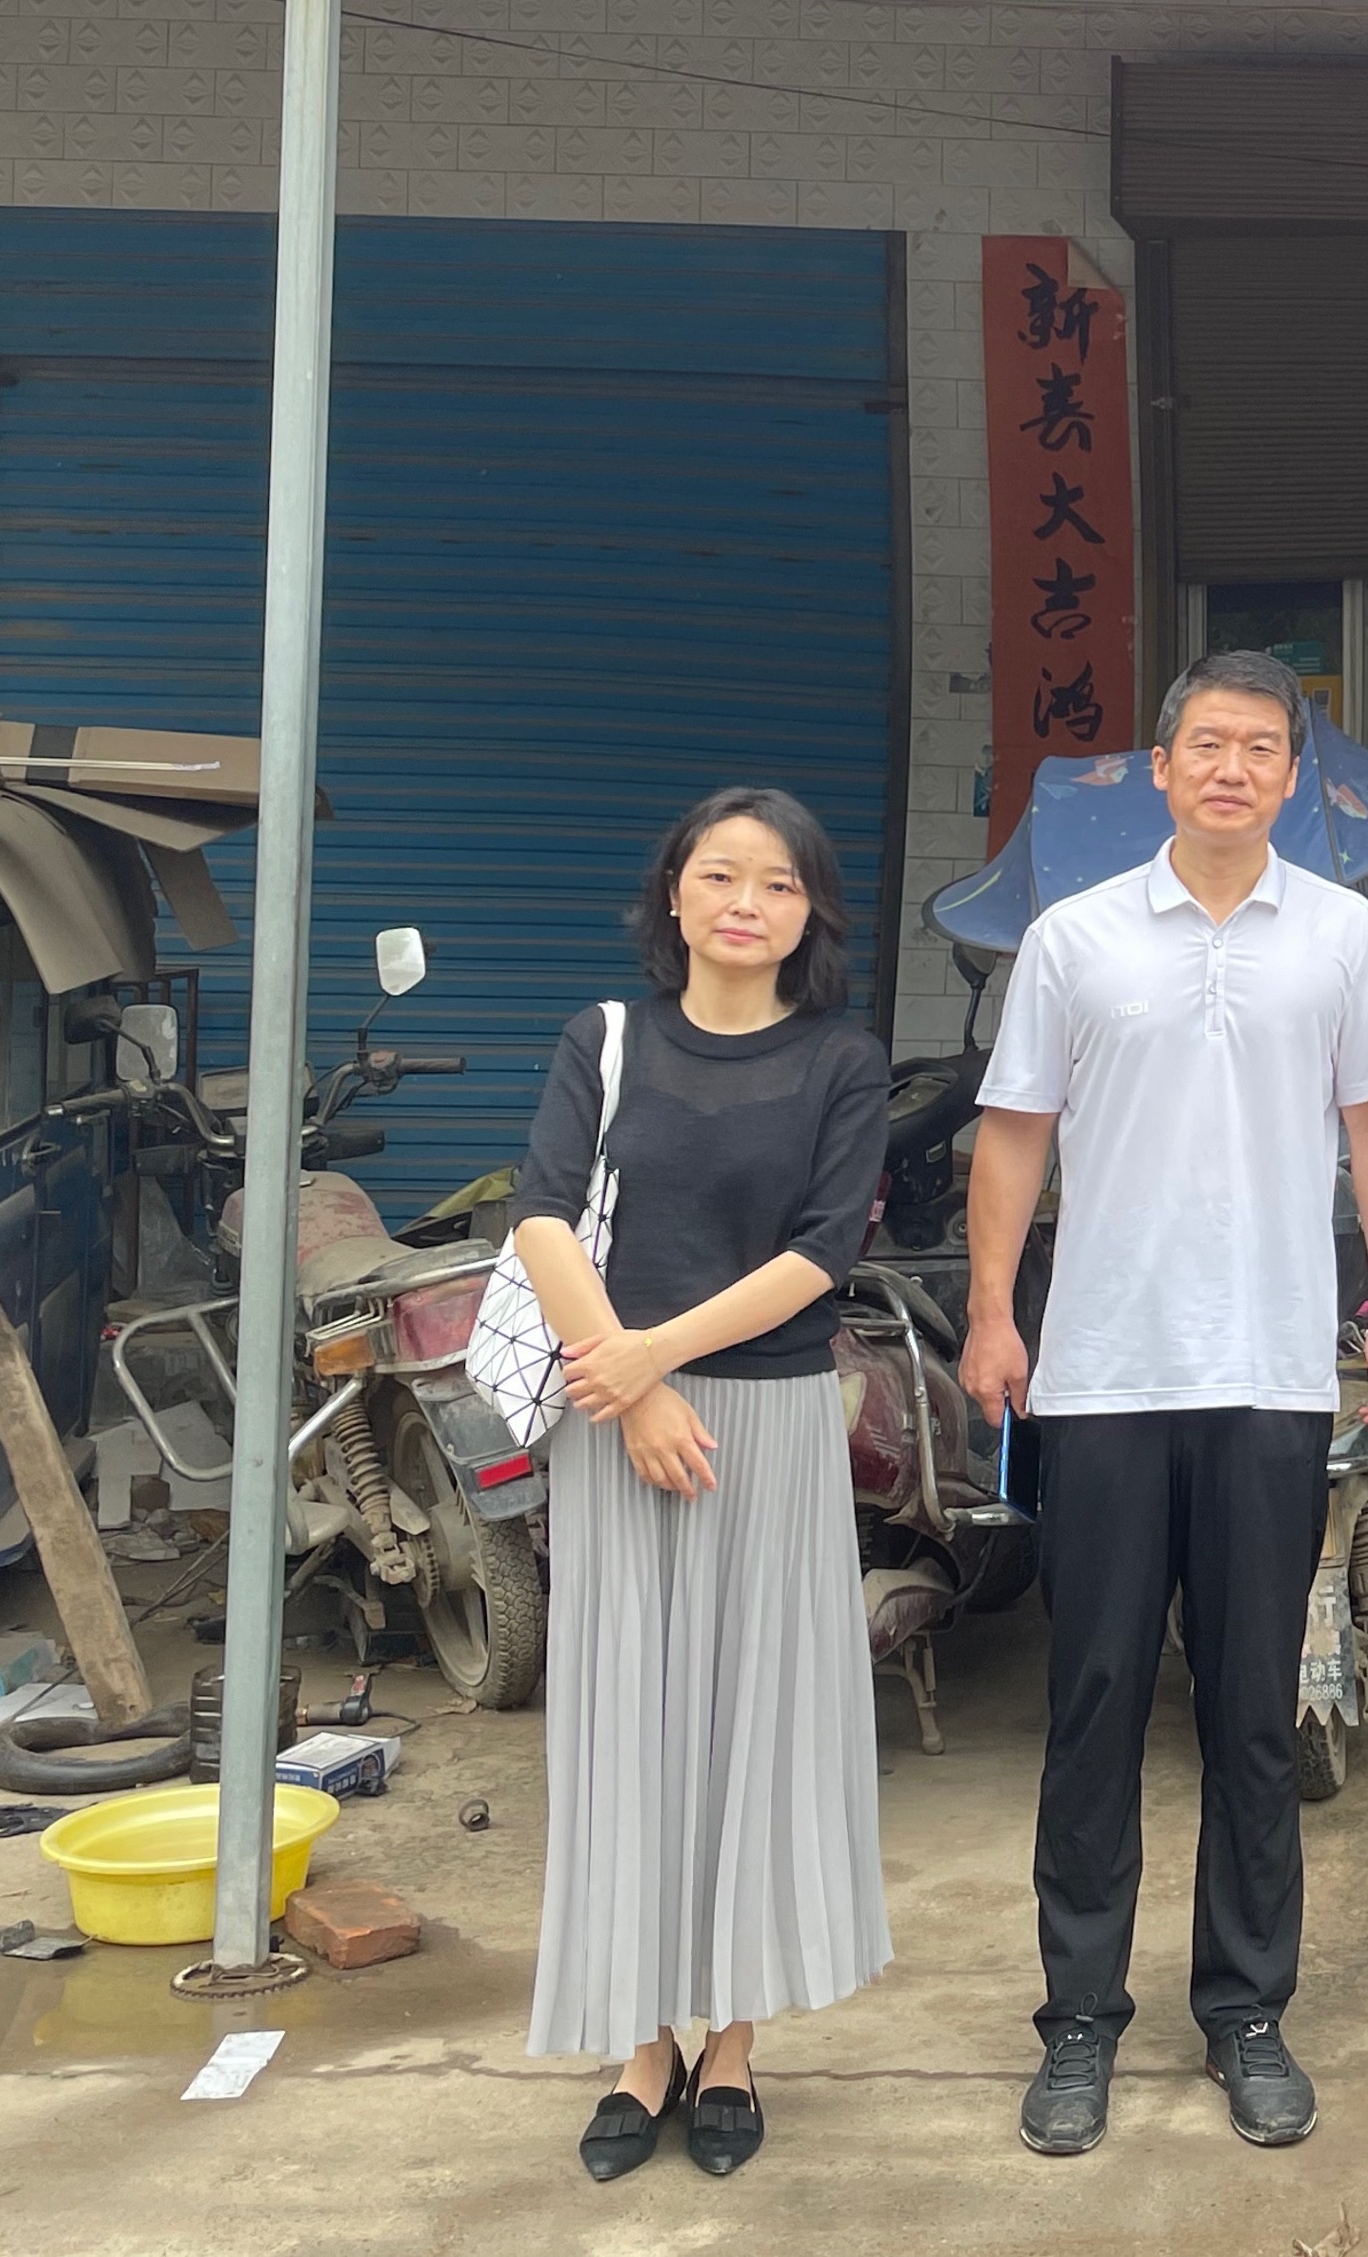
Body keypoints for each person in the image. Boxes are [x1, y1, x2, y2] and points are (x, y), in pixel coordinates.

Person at [961, 649, 1368, 2159]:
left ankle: (1245, 2010)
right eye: (1207, 744)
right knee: (1094, 1701)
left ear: (1295, 776)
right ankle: (1080, 2019)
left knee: (1252, 1708)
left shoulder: (1343, 934)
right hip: (1103, 1373)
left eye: (1261, 747)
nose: (1233, 768)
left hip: (1271, 1373)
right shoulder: (1076, 936)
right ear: (1159, 768)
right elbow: (1014, 1131)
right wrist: (992, 1310)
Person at [512, 786, 893, 2184]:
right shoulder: (605, 1039)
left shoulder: (843, 1061)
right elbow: (543, 1215)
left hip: (767, 1424)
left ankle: (729, 2042)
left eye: (778, 882)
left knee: (753, 1727)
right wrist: (629, 1385)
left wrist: (653, 1358)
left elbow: (819, 1254)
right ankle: (639, 2042)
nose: (746, 902)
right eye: (720, 875)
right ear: (674, 895)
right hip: (614, 1418)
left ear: (810, 913)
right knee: (626, 1724)